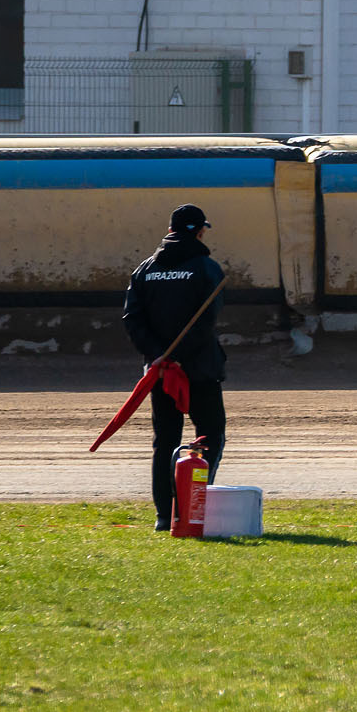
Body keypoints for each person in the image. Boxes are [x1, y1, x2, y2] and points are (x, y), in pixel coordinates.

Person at [122, 204, 227, 530]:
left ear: (171, 231)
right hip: (199, 369)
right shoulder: (207, 268)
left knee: (165, 442)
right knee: (210, 437)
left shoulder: (144, 270)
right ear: (198, 231)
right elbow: (206, 322)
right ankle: (191, 509)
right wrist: (179, 355)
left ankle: (164, 516)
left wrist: (158, 355)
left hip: (160, 372)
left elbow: (132, 319)